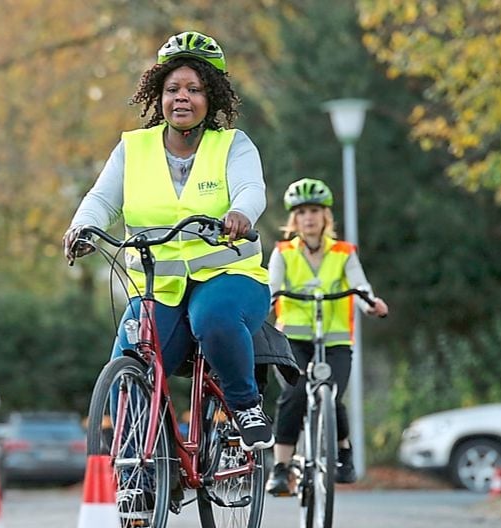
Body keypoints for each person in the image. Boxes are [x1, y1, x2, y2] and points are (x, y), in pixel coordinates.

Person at [62, 30, 274, 456]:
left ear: (210, 97)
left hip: (228, 277)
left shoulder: (232, 145)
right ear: (157, 95)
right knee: (131, 356)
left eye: (194, 89)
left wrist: (240, 215)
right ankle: (140, 467)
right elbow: (102, 198)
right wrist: (82, 227)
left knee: (213, 318)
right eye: (172, 88)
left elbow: (252, 189)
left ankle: (245, 405)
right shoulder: (132, 149)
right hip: (158, 289)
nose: (182, 98)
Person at [266, 178, 388, 495]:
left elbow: (360, 288)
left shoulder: (344, 253)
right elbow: (271, 288)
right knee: (296, 393)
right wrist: (261, 305)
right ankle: (281, 468)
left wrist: (371, 304)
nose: (309, 217)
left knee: (331, 393)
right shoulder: (283, 254)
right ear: (295, 218)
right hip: (293, 339)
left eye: (315, 211)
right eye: (303, 211)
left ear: (325, 217)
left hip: (335, 340)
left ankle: (343, 453)